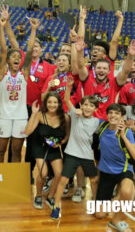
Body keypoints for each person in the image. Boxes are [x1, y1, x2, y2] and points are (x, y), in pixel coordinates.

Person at [50, 77, 100, 220]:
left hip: (87, 155)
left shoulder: (96, 121)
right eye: (85, 105)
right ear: (81, 106)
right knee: (64, 180)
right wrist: (68, 87)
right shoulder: (75, 115)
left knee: (94, 180)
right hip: (72, 153)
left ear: (95, 109)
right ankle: (56, 205)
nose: (87, 107)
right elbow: (66, 101)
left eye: (91, 105)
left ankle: (95, 203)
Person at [0, 12, 39, 163]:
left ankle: (12, 182)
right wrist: (2, 27)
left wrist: (33, 30)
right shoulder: (2, 73)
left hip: (20, 117)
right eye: (13, 57)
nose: (17, 59)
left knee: (16, 151)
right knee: (0, 150)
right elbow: (3, 49)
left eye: (18, 58)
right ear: (7, 60)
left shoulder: (24, 74)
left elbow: (30, 50)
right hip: (3, 116)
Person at [93, 104, 135, 232]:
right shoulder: (102, 126)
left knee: (127, 191)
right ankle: (115, 200)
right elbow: (87, 114)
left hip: (124, 170)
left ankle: (117, 220)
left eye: (117, 113)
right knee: (100, 215)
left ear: (122, 117)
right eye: (110, 112)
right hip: (106, 171)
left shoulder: (127, 132)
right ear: (107, 115)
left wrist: (122, 135)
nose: (113, 115)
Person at [25, 92, 69, 210]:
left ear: (59, 103)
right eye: (49, 102)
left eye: (55, 102)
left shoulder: (65, 117)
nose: (52, 105)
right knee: (43, 173)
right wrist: (33, 114)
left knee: (59, 174)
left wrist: (59, 144)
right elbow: (28, 132)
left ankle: (50, 197)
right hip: (39, 147)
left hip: (53, 148)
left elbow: (66, 137)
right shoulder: (40, 115)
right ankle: (38, 195)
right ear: (46, 103)